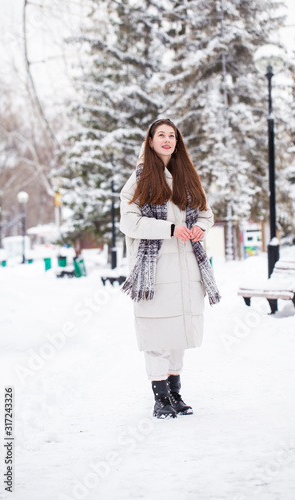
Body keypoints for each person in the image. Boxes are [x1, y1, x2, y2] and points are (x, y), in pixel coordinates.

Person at [119, 118, 220, 419]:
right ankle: (160, 397)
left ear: (177, 141)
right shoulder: (139, 178)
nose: (166, 140)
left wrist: (200, 227)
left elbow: (206, 212)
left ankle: (175, 393)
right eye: (160, 135)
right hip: (155, 269)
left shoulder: (188, 175)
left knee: (179, 333)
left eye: (171, 135)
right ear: (150, 141)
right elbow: (129, 222)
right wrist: (170, 228)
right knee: (158, 332)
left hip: (188, 266)